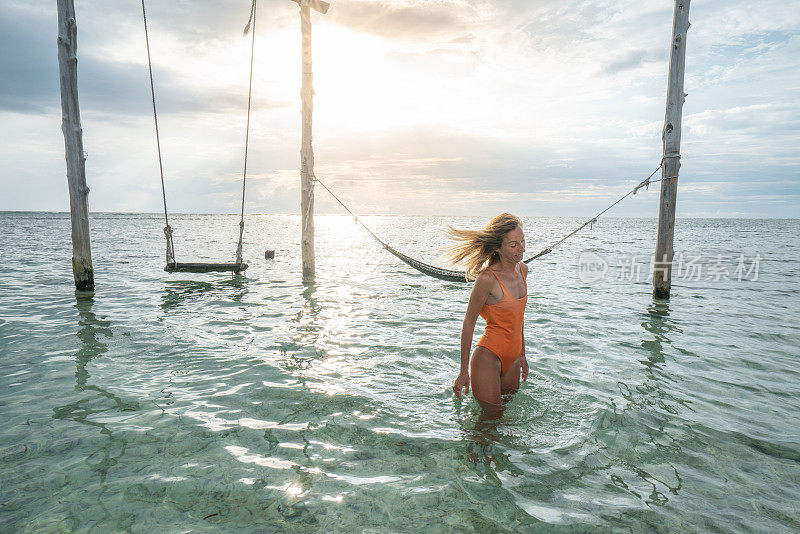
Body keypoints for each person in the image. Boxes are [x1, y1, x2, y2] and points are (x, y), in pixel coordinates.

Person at [447, 213, 529, 416]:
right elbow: (469, 322)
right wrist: (463, 371)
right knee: (490, 423)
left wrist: (522, 354)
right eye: (513, 245)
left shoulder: (523, 270)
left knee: (507, 421)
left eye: (522, 241)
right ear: (497, 248)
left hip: (513, 359)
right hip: (488, 358)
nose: (522, 249)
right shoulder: (486, 279)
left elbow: (518, 319)